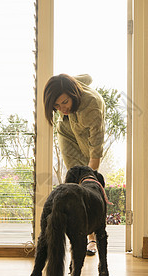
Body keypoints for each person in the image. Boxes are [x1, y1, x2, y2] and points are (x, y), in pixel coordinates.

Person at [43, 73, 105, 255]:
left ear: (74, 94)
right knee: (72, 185)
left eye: (64, 102)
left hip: (87, 137)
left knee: (87, 187)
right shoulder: (69, 87)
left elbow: (96, 145)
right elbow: (87, 77)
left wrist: (90, 179)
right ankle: (74, 236)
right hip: (68, 132)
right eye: (56, 105)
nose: (61, 108)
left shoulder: (91, 107)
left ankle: (92, 239)